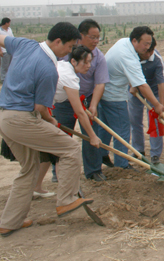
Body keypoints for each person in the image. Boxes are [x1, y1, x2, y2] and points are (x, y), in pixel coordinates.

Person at [0, 22, 94, 236]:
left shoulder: (25, 44)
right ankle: (66, 200)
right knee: (69, 148)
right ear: (58, 41)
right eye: (69, 47)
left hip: (4, 117)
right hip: (22, 119)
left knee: (29, 168)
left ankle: (9, 221)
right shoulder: (48, 69)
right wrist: (50, 121)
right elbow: (40, 108)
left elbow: (1, 38)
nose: (69, 52)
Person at [95, 26, 164, 171]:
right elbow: (143, 86)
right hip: (114, 95)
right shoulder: (127, 56)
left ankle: (100, 154)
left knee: (106, 128)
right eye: (145, 44)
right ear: (134, 40)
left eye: (149, 44)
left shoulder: (123, 42)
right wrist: (157, 106)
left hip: (103, 92)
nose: (147, 47)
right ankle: (122, 165)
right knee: (122, 130)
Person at [35, 45, 103, 193]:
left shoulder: (63, 66)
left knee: (48, 152)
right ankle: (69, 192)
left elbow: (79, 107)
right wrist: (92, 136)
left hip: (40, 109)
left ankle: (36, 187)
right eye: (85, 62)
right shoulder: (69, 77)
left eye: (90, 62)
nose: (89, 66)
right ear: (73, 61)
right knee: (66, 149)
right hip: (35, 112)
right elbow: (79, 112)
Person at [52, 19, 110, 182]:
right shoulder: (65, 54)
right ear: (81, 36)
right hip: (63, 101)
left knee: (92, 134)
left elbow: (100, 83)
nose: (96, 41)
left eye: (98, 37)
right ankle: (57, 172)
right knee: (62, 134)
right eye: (92, 37)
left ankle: (93, 170)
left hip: (86, 98)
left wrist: (93, 105)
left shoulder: (99, 57)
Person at [128, 38, 164, 164]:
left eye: (151, 51)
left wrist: (160, 105)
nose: (149, 54)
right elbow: (125, 72)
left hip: (153, 90)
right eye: (146, 52)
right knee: (135, 120)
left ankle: (155, 154)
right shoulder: (132, 56)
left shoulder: (156, 59)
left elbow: (161, 84)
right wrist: (132, 85)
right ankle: (139, 150)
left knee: (155, 120)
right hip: (136, 90)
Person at [0, 18, 14, 83]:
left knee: (10, 65)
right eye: (9, 23)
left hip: (10, 49)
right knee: (4, 66)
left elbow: (12, 38)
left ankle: (9, 78)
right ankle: (3, 79)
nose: (9, 24)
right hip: (4, 50)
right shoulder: (0, 31)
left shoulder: (9, 30)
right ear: (6, 23)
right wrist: (0, 51)